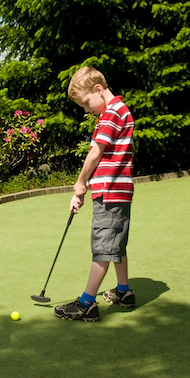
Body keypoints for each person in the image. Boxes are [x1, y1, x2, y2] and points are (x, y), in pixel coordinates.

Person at [54, 67, 136, 322]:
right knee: (115, 243)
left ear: (98, 90)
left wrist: (80, 183)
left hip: (110, 192)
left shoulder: (111, 112)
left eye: (87, 103)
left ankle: (86, 304)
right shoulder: (114, 111)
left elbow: (96, 153)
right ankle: (123, 291)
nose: (86, 110)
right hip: (115, 190)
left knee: (103, 246)